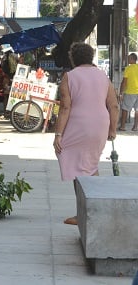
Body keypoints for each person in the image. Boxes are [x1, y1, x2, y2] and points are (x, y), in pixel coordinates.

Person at [53, 42, 118, 225]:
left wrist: (58, 134)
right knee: (89, 166)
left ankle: (86, 213)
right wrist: (112, 129)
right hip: (99, 124)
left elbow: (65, 107)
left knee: (78, 167)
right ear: (91, 57)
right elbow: (113, 105)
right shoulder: (103, 76)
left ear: (73, 58)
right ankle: (90, 210)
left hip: (78, 126)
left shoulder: (70, 76)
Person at [119, 52, 138, 131]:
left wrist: (121, 92)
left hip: (130, 91)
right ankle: (135, 126)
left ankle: (123, 126)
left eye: (129, 58)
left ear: (132, 59)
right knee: (137, 110)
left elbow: (124, 81)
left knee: (125, 109)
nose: (127, 59)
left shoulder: (128, 69)